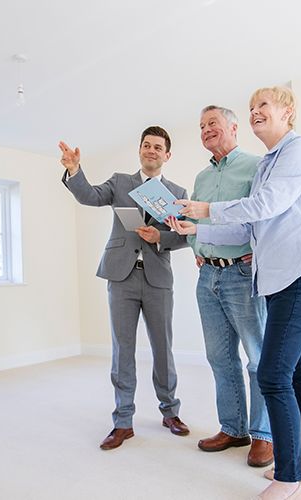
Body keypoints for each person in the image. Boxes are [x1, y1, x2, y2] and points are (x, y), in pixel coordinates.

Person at [167, 87, 301, 500]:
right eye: (253, 106)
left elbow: (267, 205)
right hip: (277, 281)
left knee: (273, 375)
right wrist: (196, 229)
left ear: (287, 113)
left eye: (264, 106)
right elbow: (247, 228)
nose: (256, 112)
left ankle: (288, 475)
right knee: (298, 373)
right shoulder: (268, 165)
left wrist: (205, 210)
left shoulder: (299, 150)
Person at [59, 126, 191, 451]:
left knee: (163, 348)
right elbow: (90, 196)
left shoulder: (177, 192)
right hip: (121, 277)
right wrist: (74, 170)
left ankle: (170, 412)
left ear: (167, 155)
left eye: (158, 147)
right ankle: (122, 421)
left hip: (158, 278)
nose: (151, 151)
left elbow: (186, 236)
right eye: (146, 145)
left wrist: (160, 236)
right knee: (122, 350)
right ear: (140, 151)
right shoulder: (120, 182)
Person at [189, 105, 272, 467]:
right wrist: (196, 247)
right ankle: (233, 428)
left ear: (234, 128)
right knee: (220, 358)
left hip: (241, 272)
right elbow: (194, 219)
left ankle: (264, 435)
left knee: (257, 358)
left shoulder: (256, 166)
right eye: (202, 126)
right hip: (207, 276)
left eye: (213, 124)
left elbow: (263, 213)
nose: (206, 130)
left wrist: (258, 249)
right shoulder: (201, 179)